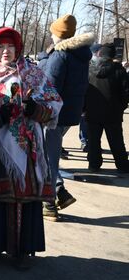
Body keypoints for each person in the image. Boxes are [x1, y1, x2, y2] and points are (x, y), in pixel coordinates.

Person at [0, 27, 62, 269]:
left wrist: (34, 109)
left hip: (28, 146)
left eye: (10, 47)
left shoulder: (33, 73)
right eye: (1, 47)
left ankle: (21, 251)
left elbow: (55, 101)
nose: (6, 52)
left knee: (23, 197)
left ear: (17, 49)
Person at [41, 15, 95, 219]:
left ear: (57, 34)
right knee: (49, 155)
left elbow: (49, 89)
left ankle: (49, 205)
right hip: (69, 114)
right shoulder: (80, 55)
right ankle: (58, 192)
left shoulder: (60, 56)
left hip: (52, 115)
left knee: (48, 158)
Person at [85, 43, 129, 172]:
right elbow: (126, 93)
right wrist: (121, 106)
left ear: (99, 54)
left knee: (93, 140)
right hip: (113, 112)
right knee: (116, 141)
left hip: (92, 111)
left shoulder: (90, 70)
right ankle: (122, 165)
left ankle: (93, 164)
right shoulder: (119, 71)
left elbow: (84, 90)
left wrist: (85, 107)